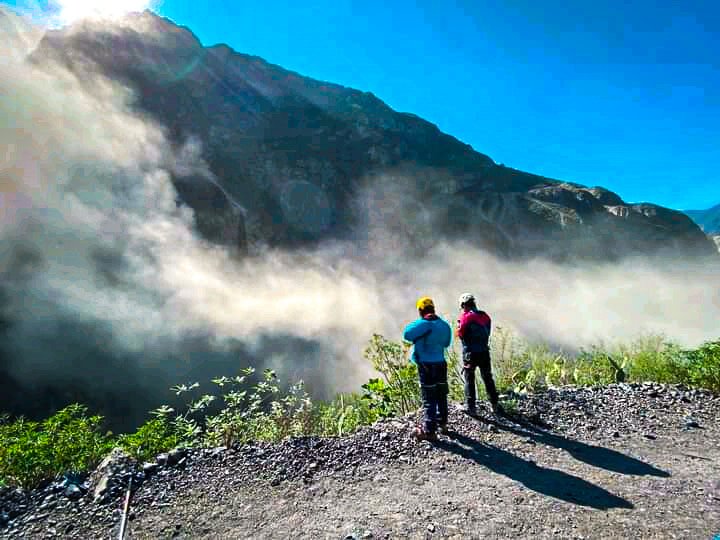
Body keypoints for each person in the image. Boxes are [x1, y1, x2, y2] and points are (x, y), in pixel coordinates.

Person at [403, 296, 452, 441]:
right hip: (441, 363)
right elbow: (446, 343)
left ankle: (430, 431)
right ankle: (443, 424)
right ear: (433, 309)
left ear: (420, 310)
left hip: (426, 365)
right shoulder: (444, 325)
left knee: (429, 398)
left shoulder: (423, 324)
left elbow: (407, 334)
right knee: (441, 394)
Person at [456, 293, 502, 416]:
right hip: (484, 352)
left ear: (463, 305)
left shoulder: (465, 317)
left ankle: (471, 408)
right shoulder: (485, 316)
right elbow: (488, 332)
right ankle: (495, 405)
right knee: (488, 378)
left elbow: (460, 334)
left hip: (470, 354)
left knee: (469, 380)